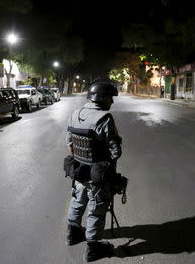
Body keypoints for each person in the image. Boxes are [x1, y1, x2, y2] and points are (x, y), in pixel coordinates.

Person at [65, 81, 122, 262]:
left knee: (77, 200)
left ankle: (73, 234)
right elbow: (116, 152)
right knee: (97, 208)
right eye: (110, 98)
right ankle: (93, 248)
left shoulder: (75, 114)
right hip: (97, 174)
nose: (112, 102)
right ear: (102, 98)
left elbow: (70, 146)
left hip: (79, 170)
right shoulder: (104, 118)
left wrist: (83, 160)